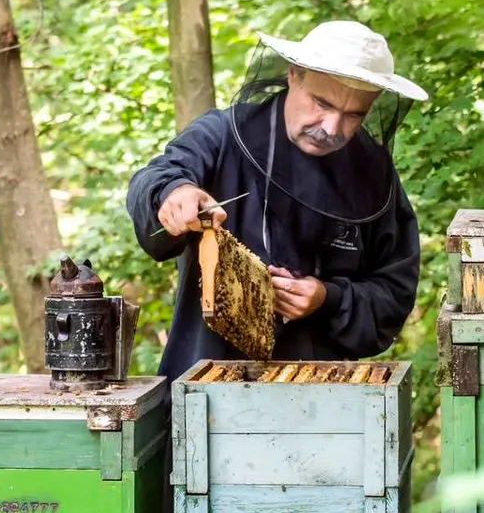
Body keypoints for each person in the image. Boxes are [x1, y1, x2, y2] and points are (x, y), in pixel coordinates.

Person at [126, 20, 427, 384]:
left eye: (353, 115)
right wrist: (174, 193)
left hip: (324, 401)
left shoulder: (374, 175)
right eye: (321, 103)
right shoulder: (221, 135)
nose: (331, 128)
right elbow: (156, 177)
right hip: (205, 385)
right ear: (294, 76)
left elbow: (393, 293)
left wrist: (327, 298)